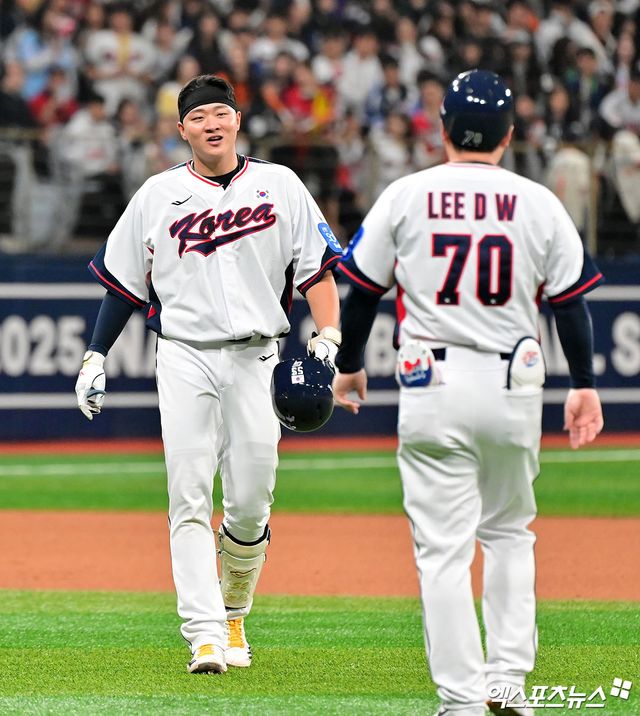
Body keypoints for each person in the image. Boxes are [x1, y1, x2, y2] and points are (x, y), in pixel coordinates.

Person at [333, 70, 604, 716]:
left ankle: (461, 700)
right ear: (509, 135)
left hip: (432, 383)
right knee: (510, 533)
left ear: (443, 129)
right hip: (514, 381)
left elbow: (362, 292)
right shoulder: (538, 201)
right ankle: (508, 685)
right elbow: (570, 305)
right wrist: (585, 385)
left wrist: (349, 365)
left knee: (443, 552)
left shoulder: (407, 194)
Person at [74, 74, 342, 674]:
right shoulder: (157, 195)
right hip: (184, 355)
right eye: (198, 117)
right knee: (188, 496)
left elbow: (317, 272)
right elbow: (123, 285)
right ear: (182, 129)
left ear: (238, 120)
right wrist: (95, 354)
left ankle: (234, 612)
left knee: (250, 503)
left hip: (258, 356)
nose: (211, 124)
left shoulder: (280, 184)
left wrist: (329, 334)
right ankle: (204, 634)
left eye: (220, 112)